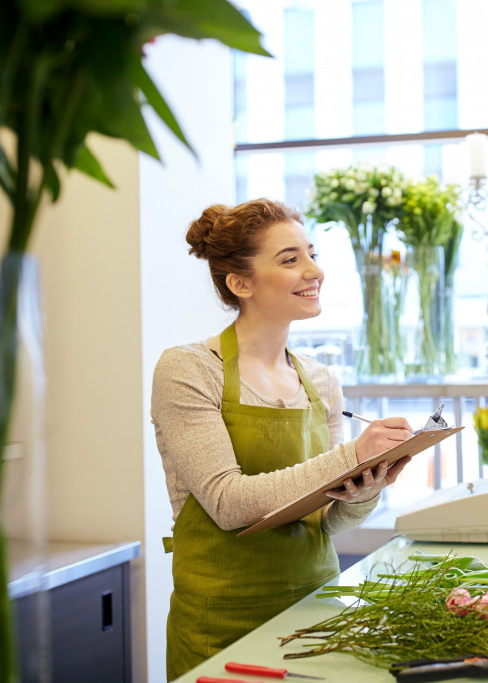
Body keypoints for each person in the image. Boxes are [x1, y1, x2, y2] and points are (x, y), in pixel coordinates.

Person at [152, 198, 414, 680]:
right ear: (241, 283)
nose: (315, 270)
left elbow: (326, 522)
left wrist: (364, 488)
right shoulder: (188, 369)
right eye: (290, 259)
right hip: (220, 621)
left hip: (315, 607)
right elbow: (228, 503)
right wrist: (351, 454)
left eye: (311, 253)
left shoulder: (322, 381)